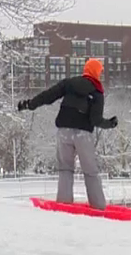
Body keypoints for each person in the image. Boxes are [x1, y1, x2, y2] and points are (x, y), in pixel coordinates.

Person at [17, 58, 118, 210]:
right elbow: (95, 120)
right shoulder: (97, 92)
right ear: (96, 72)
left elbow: (48, 96)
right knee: (90, 170)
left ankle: (64, 203)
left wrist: (30, 104)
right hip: (83, 134)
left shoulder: (69, 83)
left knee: (65, 168)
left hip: (63, 131)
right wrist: (110, 123)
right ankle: (98, 206)